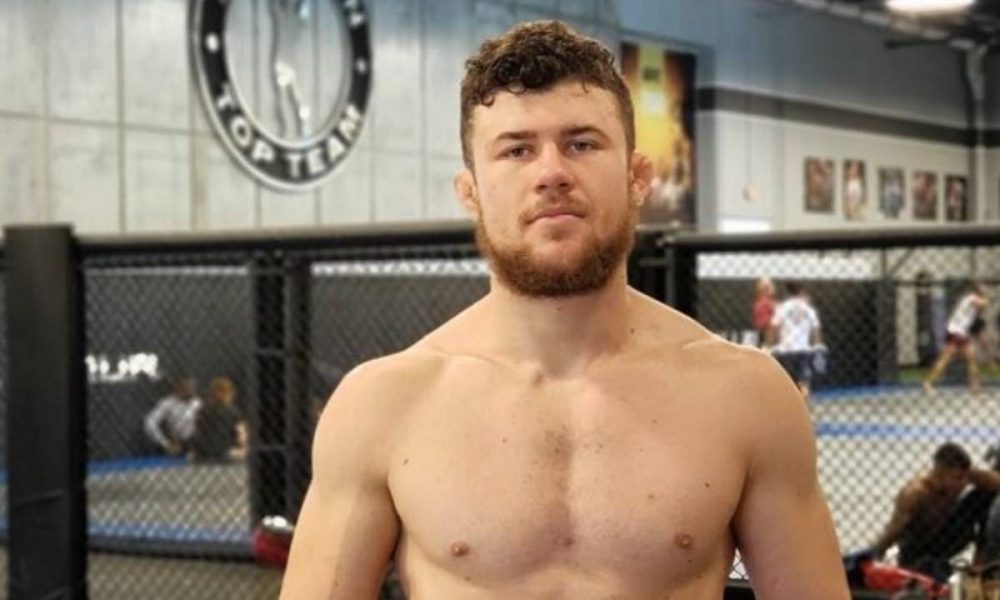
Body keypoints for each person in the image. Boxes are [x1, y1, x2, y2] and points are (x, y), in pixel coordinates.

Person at [280, 21, 848, 599]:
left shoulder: (746, 397)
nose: (551, 173)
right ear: (470, 192)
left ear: (637, 177)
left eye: (581, 144)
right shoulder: (382, 407)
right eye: (517, 150)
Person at [873, 442, 1000, 582]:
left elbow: (994, 482)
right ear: (939, 473)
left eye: (966, 477)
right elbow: (893, 531)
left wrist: (977, 476)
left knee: (984, 495)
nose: (963, 483)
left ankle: (980, 568)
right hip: (918, 550)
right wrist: (874, 554)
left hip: (947, 538)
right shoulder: (915, 493)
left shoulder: (961, 476)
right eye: (958, 478)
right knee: (926, 566)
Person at [923, 282, 988, 394]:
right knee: (946, 358)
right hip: (956, 332)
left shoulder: (973, 301)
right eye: (983, 288)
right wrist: (985, 295)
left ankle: (974, 386)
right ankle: (928, 383)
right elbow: (984, 305)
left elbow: (981, 310)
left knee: (971, 358)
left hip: (961, 333)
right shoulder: (971, 298)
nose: (985, 289)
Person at [768, 282, 824, 400]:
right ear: (801, 292)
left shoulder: (782, 307)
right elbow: (816, 329)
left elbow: (775, 327)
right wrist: (816, 346)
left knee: (788, 384)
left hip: (786, 351)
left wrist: (771, 345)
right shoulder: (807, 308)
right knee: (804, 382)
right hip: (803, 350)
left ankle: (789, 404)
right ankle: (804, 404)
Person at [188, 376, 248, 462]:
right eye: (217, 391)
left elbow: (241, 432)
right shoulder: (205, 410)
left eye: (222, 391)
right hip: (206, 449)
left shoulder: (233, 412)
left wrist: (242, 447)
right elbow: (197, 430)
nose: (218, 394)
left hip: (225, 450)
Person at [144, 376, 202, 456]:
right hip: (176, 445)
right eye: (186, 387)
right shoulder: (167, 403)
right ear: (177, 387)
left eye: (192, 387)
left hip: (198, 445)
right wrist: (165, 443)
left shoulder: (198, 403)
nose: (190, 390)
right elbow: (150, 422)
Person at [752, 276, 776, 348]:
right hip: (767, 330)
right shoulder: (764, 302)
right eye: (767, 288)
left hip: (766, 330)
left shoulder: (764, 301)